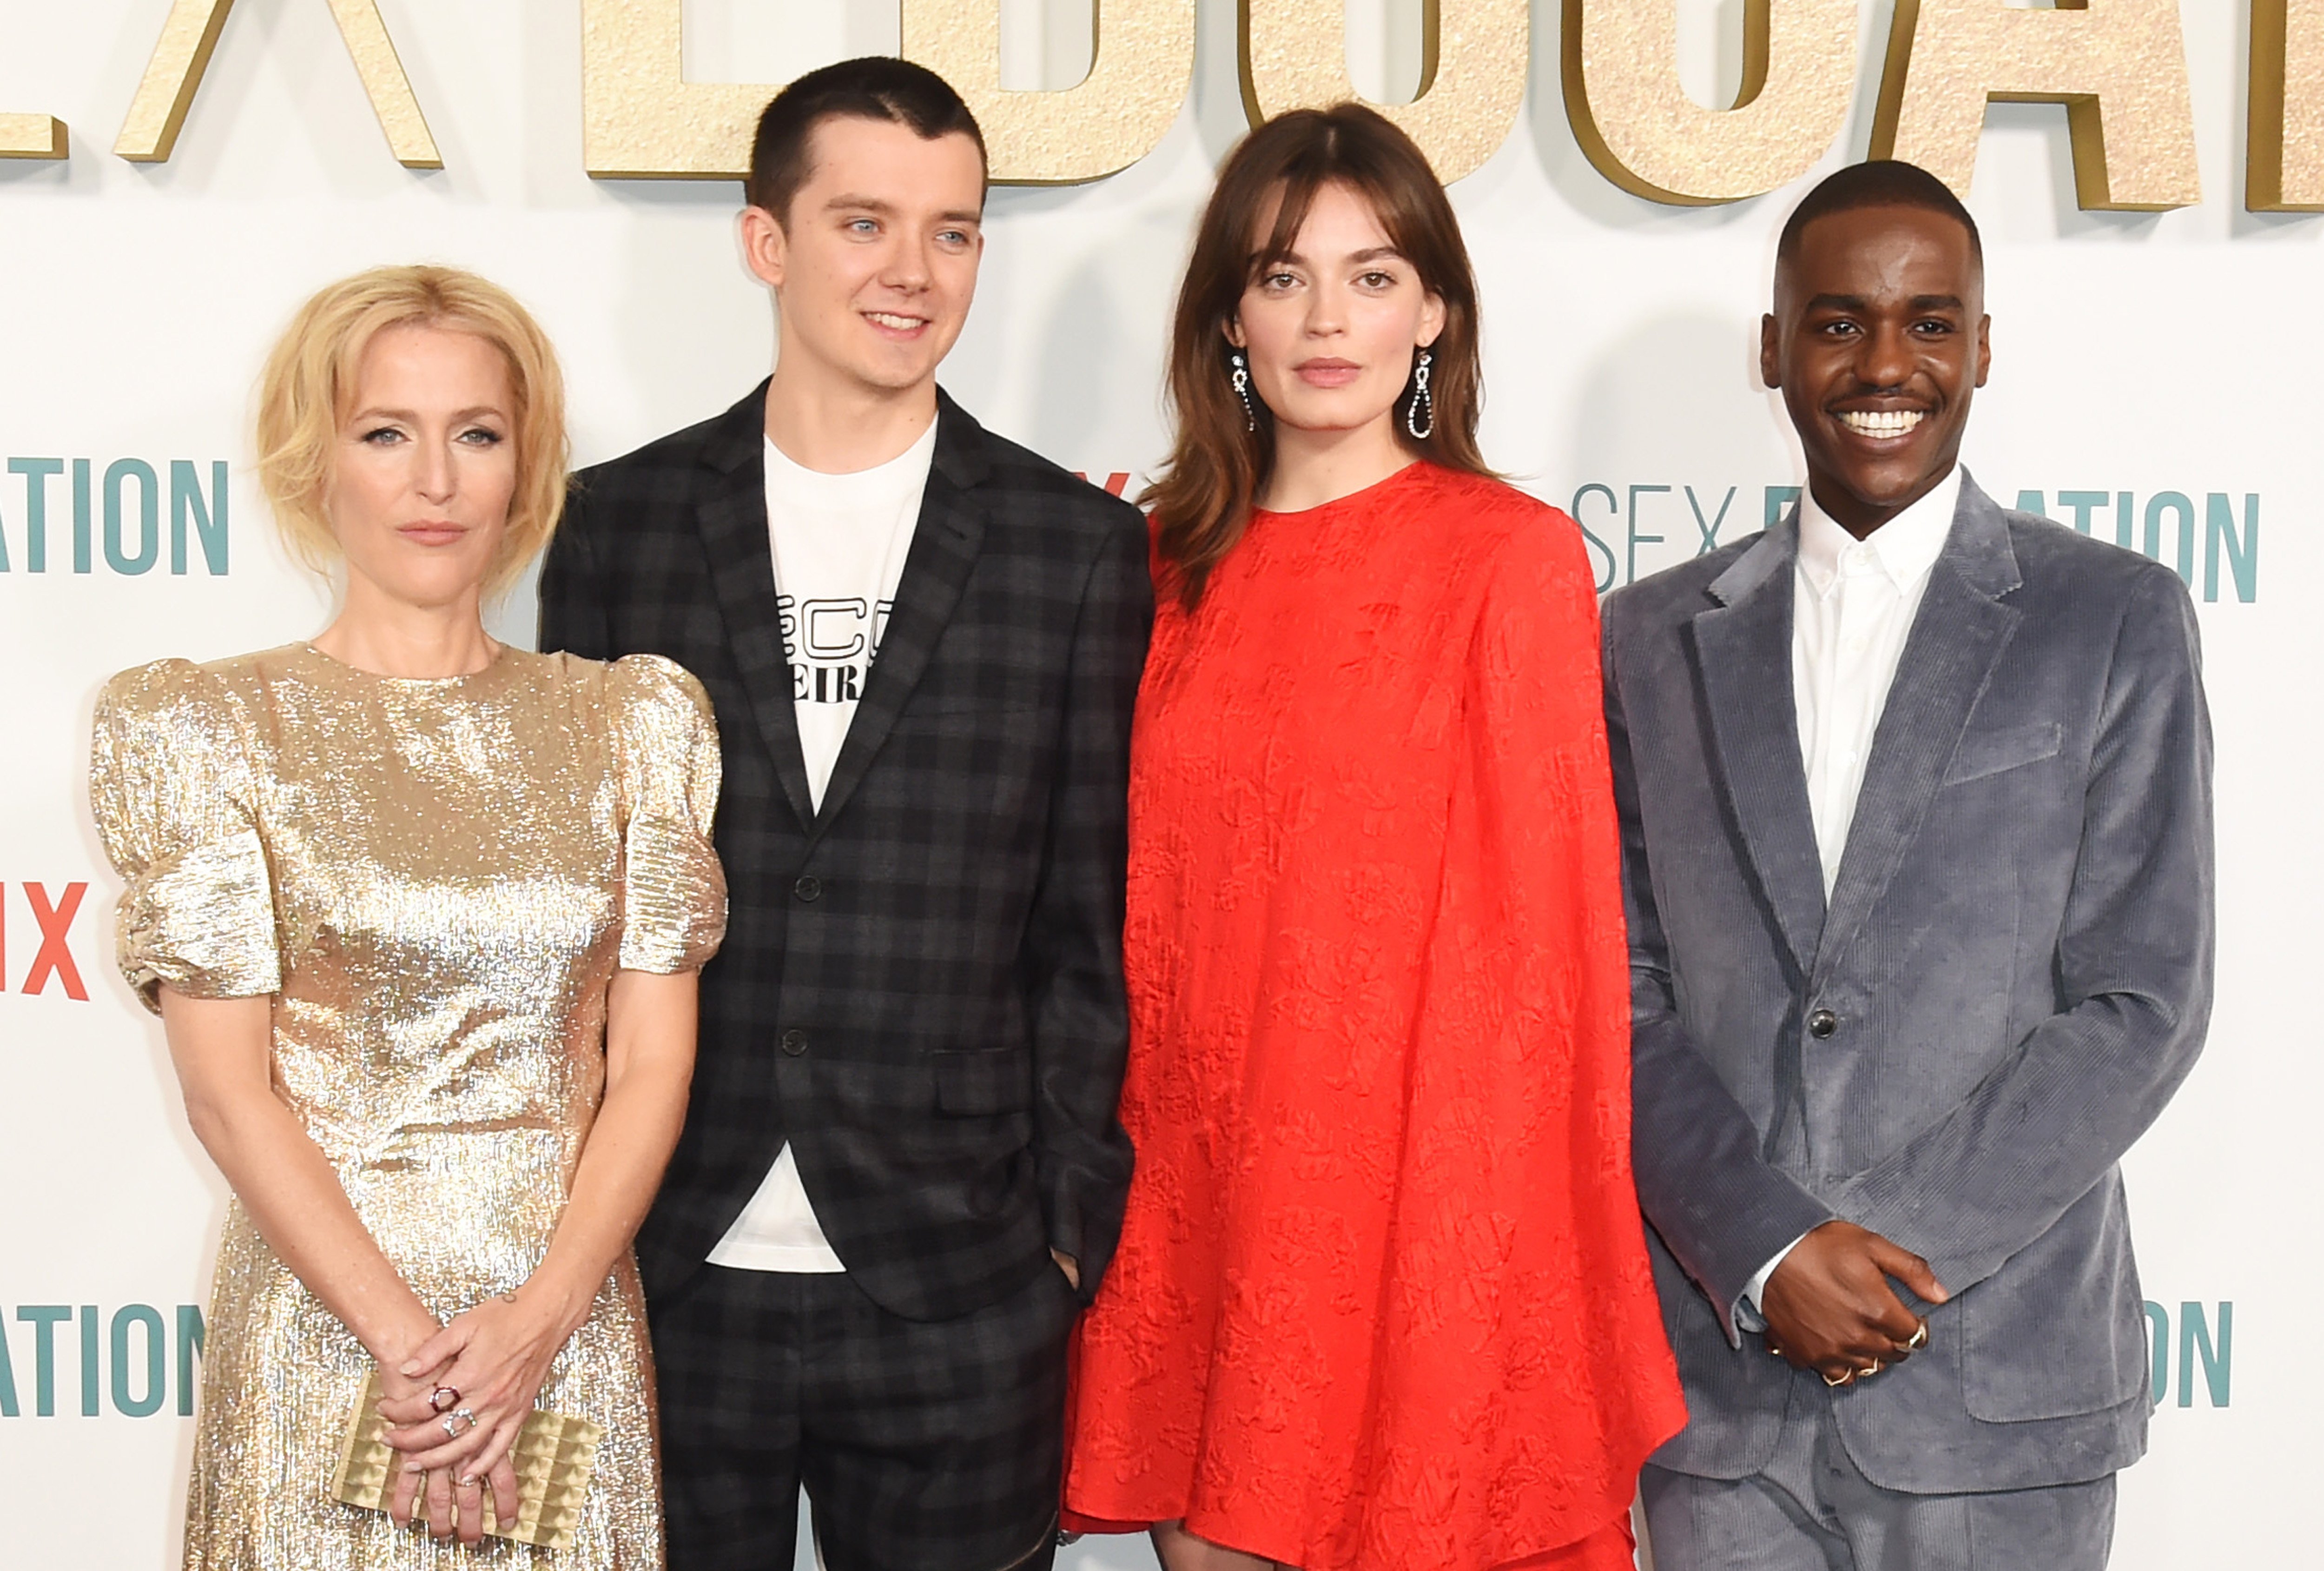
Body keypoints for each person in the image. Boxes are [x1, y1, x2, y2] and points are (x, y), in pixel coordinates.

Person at [536, 57, 1148, 1571]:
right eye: (865, 223)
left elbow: (1088, 926)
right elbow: (573, 914)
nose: (913, 271)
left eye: (953, 231)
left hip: (962, 1282)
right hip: (666, 1264)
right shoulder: (619, 526)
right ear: (768, 240)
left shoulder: (1075, 548)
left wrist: (1061, 1237)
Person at [1062, 103, 1686, 1571]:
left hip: (1418, 1219)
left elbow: (1547, 970)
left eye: (1373, 275)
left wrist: (1475, 1264)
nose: (1327, 319)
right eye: (1283, 276)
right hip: (1198, 1212)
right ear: (1231, 317)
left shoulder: (1511, 561)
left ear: (1435, 312)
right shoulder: (1148, 571)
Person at [1607, 160, 2213, 1570]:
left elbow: (2144, 1002)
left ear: (1982, 347)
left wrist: (1871, 1255)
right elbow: (1614, 992)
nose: (1886, 365)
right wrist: (1767, 1250)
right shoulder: (1644, 639)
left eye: (1929, 323)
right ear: (1773, 348)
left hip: (1998, 1400)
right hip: (1721, 1408)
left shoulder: (2111, 618)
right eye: (1839, 323)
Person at [86, 265, 726, 1567]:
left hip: (556, 1335)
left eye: (476, 434)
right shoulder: (210, 727)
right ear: (315, 462)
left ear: (524, 465)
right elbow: (229, 1094)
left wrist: (535, 1328)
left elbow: (653, 1067)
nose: (436, 480)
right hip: (330, 1330)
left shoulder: (631, 725)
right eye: (387, 433)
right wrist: (416, 1361)